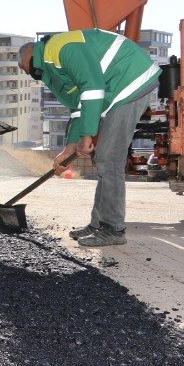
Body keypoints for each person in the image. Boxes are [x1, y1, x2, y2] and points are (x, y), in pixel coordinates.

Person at [18, 28, 161, 247]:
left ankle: (113, 229)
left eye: (23, 67)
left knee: (109, 159)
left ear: (30, 56)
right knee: (103, 159)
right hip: (115, 87)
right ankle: (98, 225)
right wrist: (69, 149)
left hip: (131, 81)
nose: (25, 72)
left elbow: (93, 89)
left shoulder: (62, 48)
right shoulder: (51, 69)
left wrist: (87, 135)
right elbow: (78, 107)